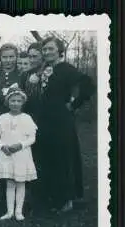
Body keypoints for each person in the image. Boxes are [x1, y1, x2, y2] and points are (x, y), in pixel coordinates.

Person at [32, 36, 95, 212]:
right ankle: (53, 197)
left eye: (51, 49)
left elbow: (88, 85)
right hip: (45, 121)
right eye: (44, 49)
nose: (47, 52)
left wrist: (73, 104)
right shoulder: (46, 69)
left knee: (63, 158)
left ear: (60, 51)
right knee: (49, 158)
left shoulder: (66, 68)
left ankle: (67, 200)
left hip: (61, 121)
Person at [0, 88, 38, 221]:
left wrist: (20, 145)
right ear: (8, 102)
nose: (15, 103)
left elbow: (32, 138)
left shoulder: (27, 118)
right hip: (6, 154)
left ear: (22, 103)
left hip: (21, 154)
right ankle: (9, 211)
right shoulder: (2, 118)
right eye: (13, 100)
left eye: (18, 101)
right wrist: (2, 146)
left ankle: (19, 211)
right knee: (10, 183)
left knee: (20, 182)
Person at [0, 43, 22, 113]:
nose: (8, 60)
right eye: (4, 57)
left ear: (16, 57)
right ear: (0, 58)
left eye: (11, 57)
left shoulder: (22, 74)